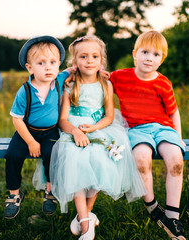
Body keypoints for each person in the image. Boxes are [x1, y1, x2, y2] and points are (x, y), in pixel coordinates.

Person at [48, 35, 147, 240]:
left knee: (102, 163)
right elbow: (62, 120)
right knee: (76, 165)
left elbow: (109, 116)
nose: (90, 60)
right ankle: (86, 225)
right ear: (75, 62)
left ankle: (84, 215)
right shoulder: (70, 86)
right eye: (83, 56)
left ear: (101, 60)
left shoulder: (105, 85)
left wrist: (93, 128)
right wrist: (75, 131)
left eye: (95, 56)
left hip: (99, 127)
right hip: (73, 130)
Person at [110, 30, 187, 240]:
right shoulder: (120, 77)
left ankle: (172, 216)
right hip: (136, 129)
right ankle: (152, 206)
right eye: (144, 52)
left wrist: (178, 136)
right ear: (135, 53)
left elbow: (173, 112)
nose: (149, 58)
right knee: (141, 160)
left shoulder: (163, 83)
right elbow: (99, 77)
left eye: (156, 54)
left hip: (163, 128)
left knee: (176, 161)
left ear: (162, 59)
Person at [4, 35, 71, 219]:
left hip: (50, 131)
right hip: (27, 131)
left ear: (58, 65)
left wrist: (100, 71)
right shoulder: (25, 90)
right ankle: (14, 194)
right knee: (13, 155)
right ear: (30, 67)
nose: (48, 67)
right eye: (41, 63)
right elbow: (17, 120)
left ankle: (50, 191)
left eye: (52, 62)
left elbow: (74, 70)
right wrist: (31, 142)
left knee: (52, 154)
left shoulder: (58, 81)